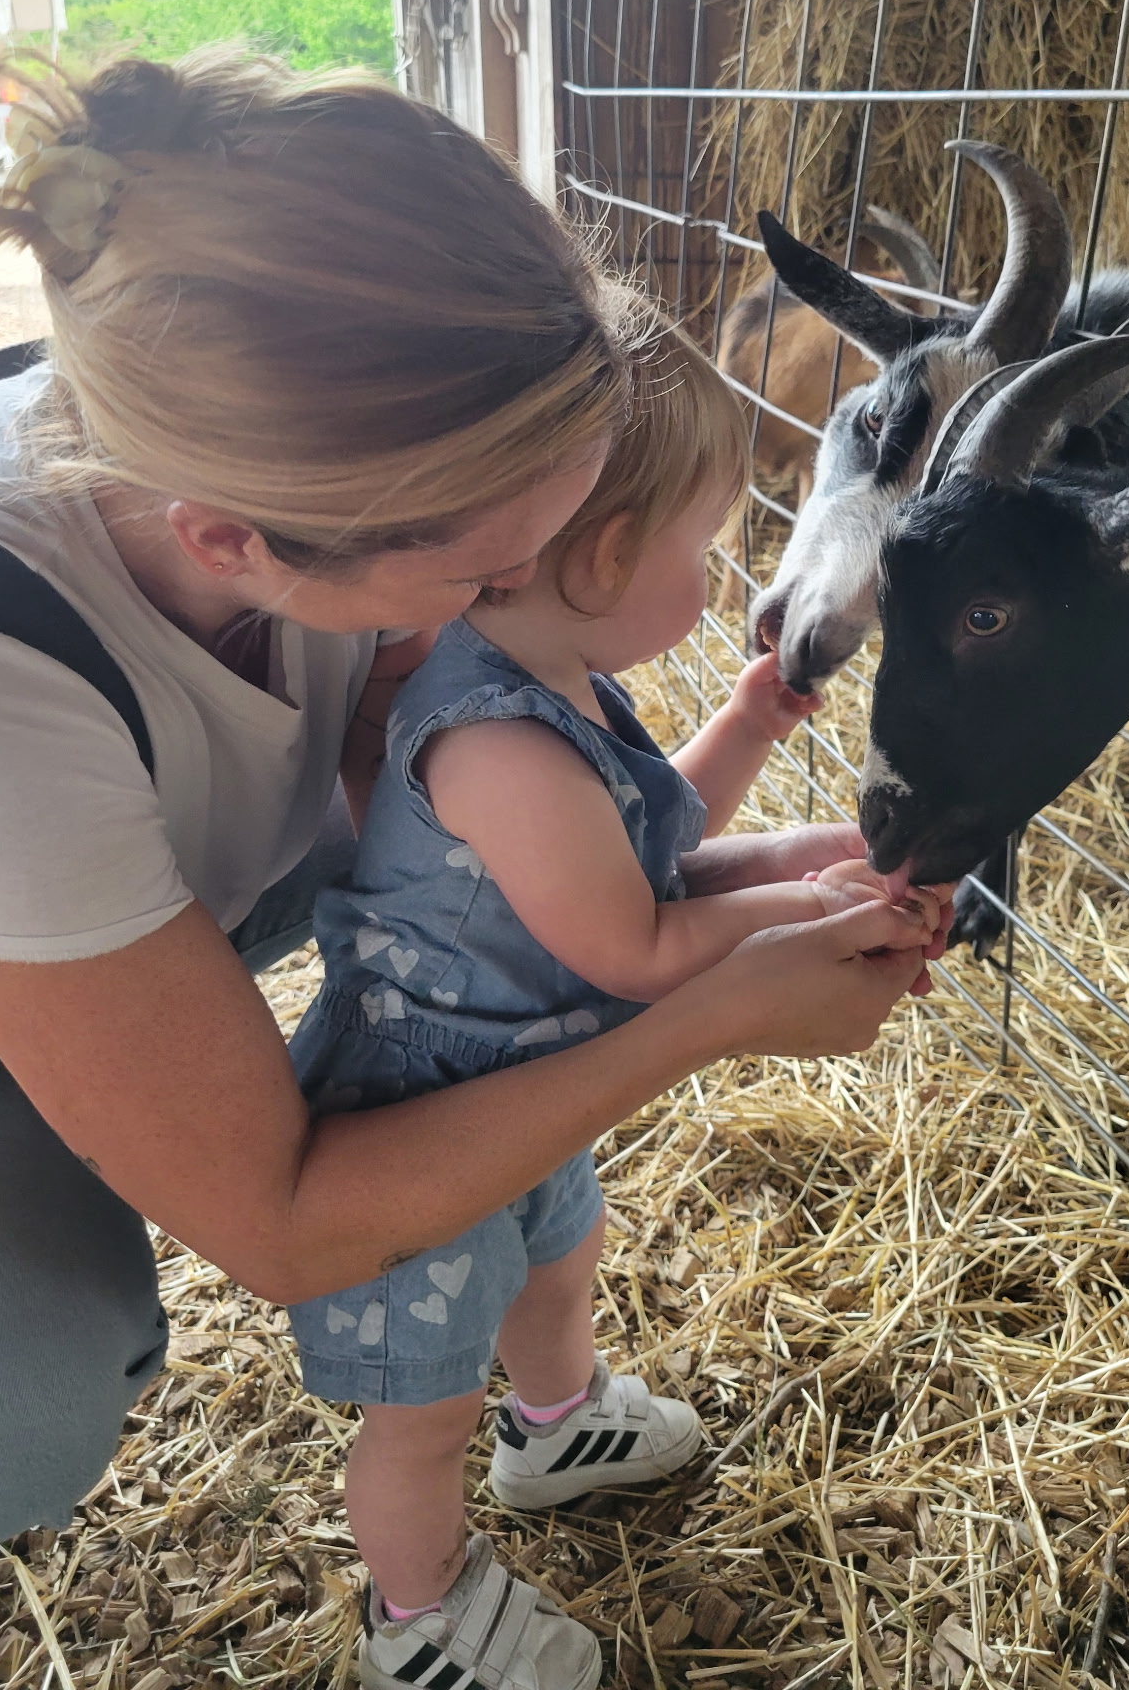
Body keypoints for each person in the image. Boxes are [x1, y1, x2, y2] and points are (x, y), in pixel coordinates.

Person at [0, 53, 947, 1606]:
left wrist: (778, 866)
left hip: (175, 883)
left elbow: (522, 860)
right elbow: (284, 1225)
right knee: (23, 1400)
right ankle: (421, 1627)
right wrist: (714, 1014)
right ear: (236, 542)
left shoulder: (320, 491)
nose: (528, 602)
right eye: (488, 578)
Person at [284, 324, 938, 1690]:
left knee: (560, 1262)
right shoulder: (499, 743)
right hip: (434, 1115)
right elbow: (640, 943)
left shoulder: (554, 685)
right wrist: (808, 914)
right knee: (422, 1410)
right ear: (600, 555)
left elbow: (642, 850)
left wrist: (766, 758)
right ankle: (417, 1623)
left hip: (525, 1077)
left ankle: (559, 1428)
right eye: (705, 545)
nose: (722, 577)